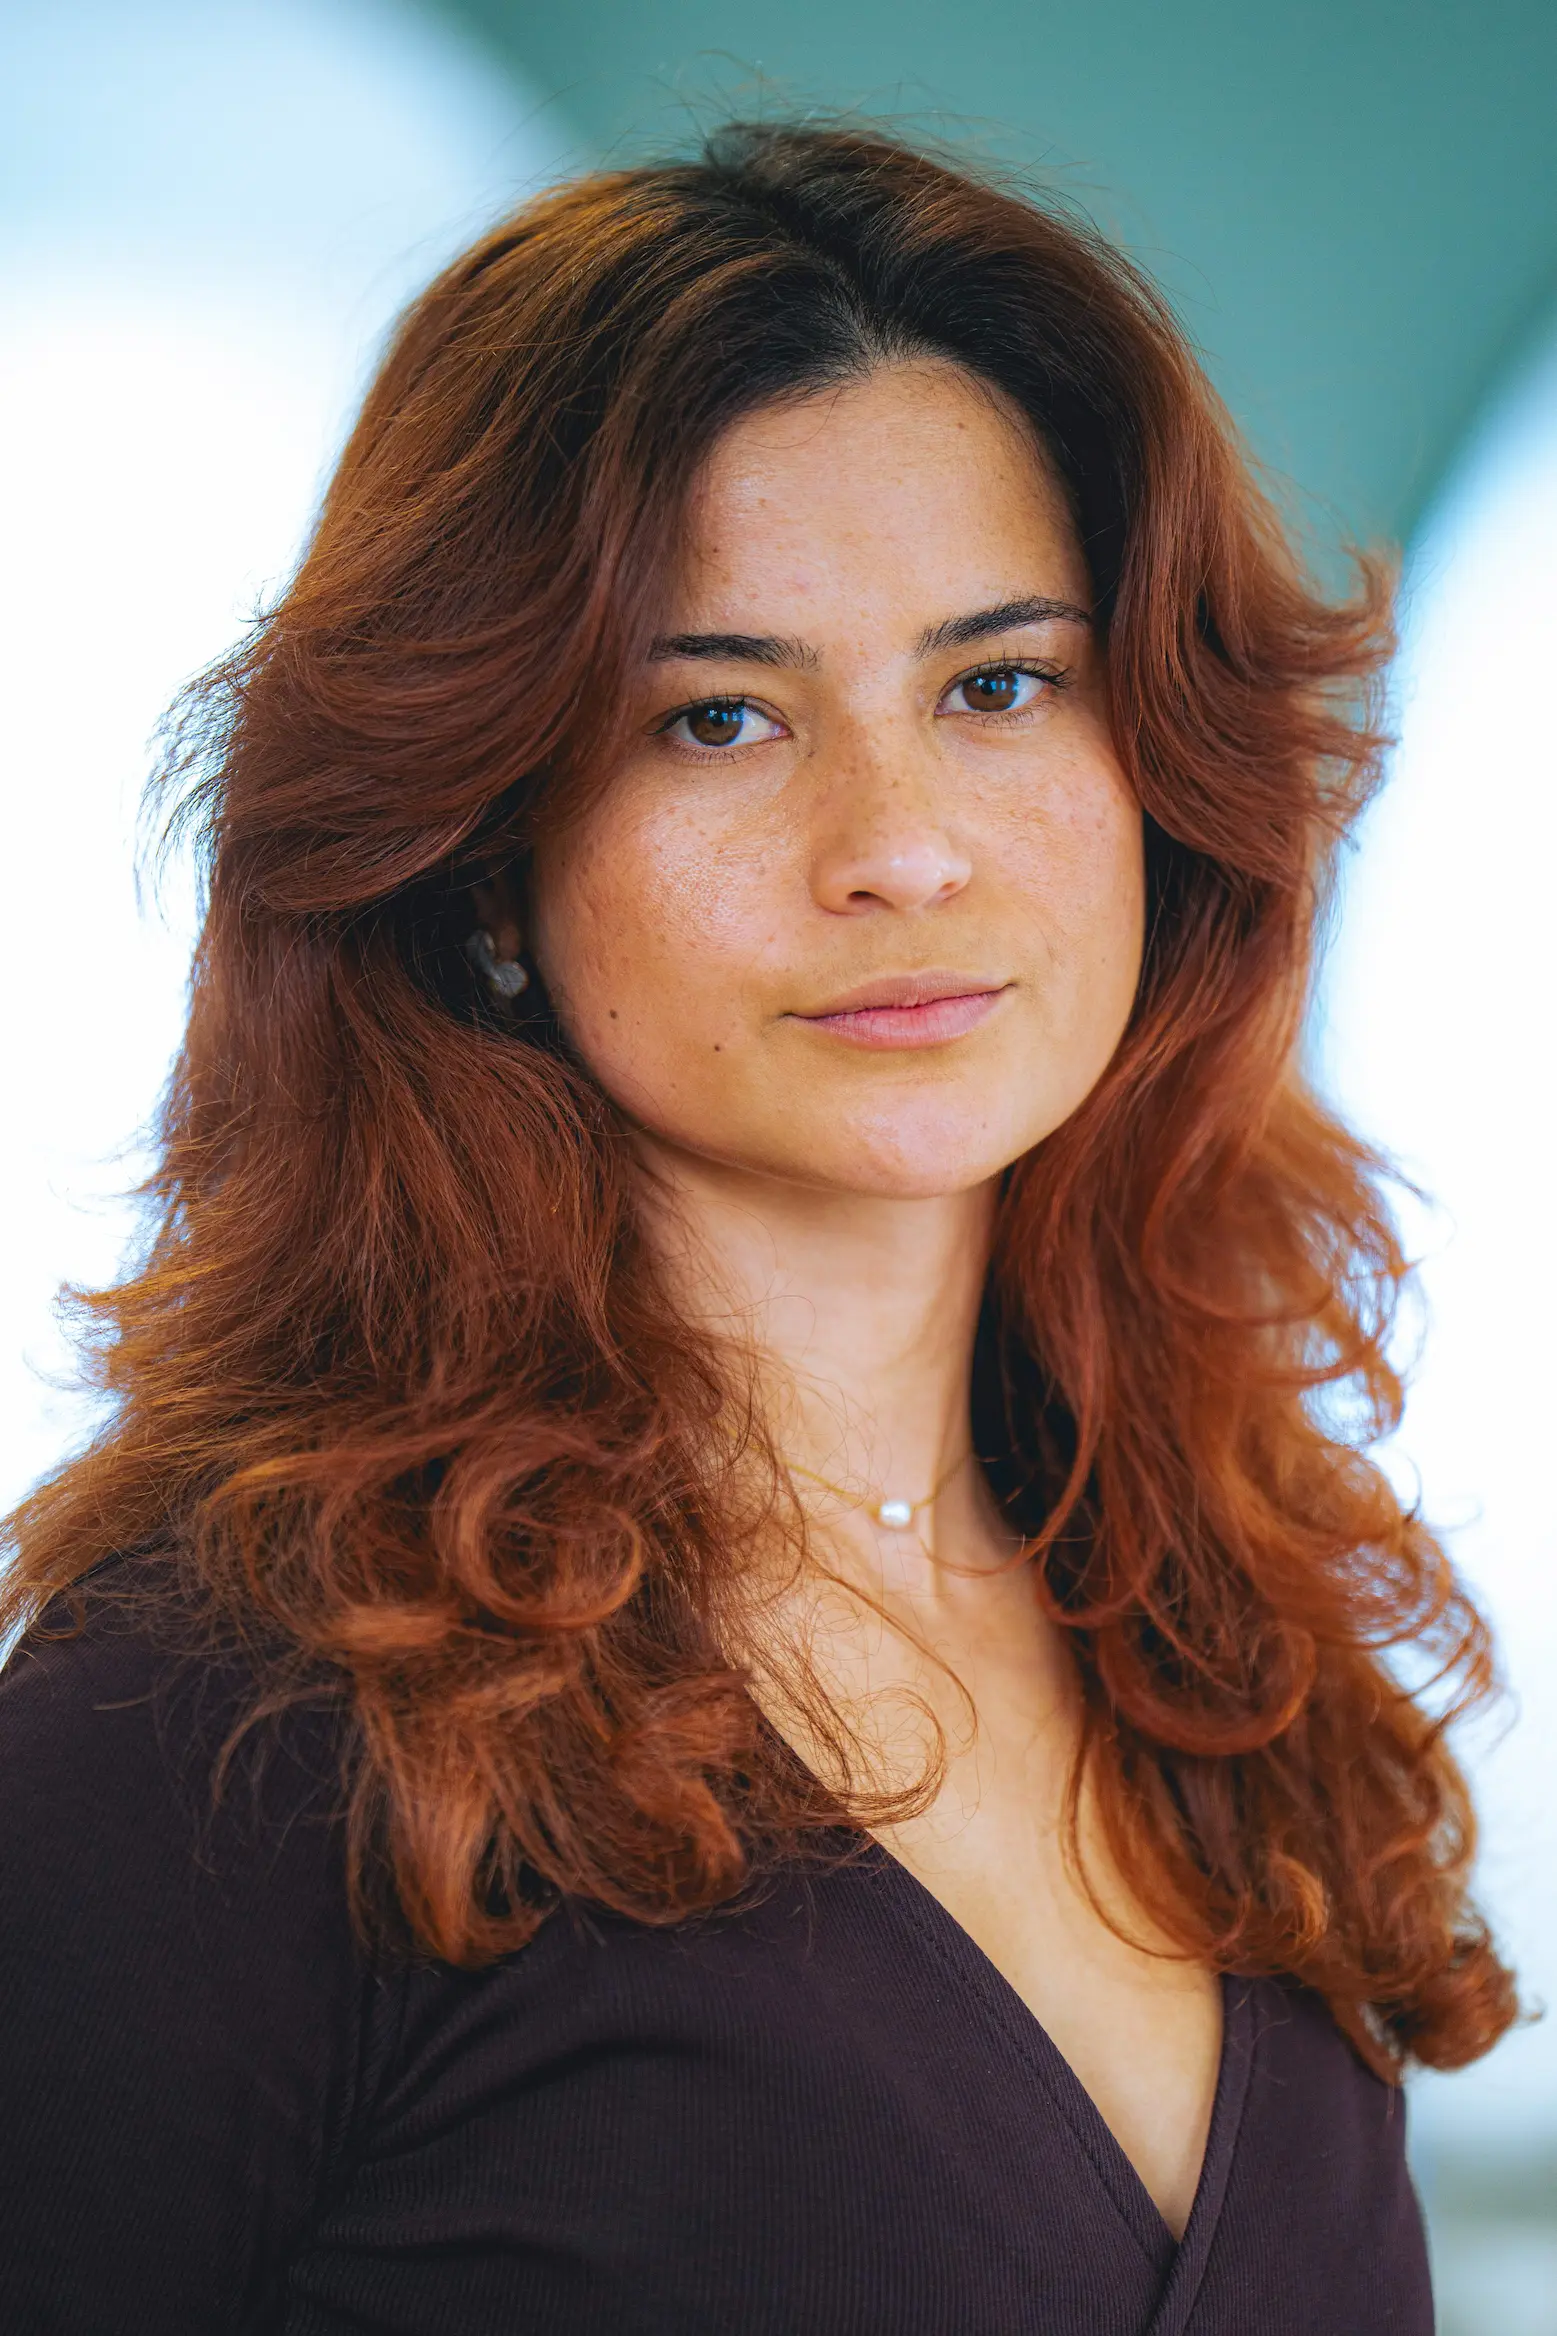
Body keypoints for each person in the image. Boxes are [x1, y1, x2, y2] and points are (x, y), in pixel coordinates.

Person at [0, 122, 1516, 2334]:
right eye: (719, 715)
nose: (896, 846)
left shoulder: (1221, 1633)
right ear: (485, 848)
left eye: (998, 684)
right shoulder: (231, 1722)